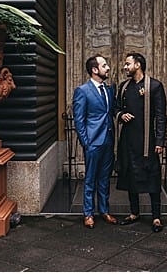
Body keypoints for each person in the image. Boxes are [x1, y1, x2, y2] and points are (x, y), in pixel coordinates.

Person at [113, 53, 167, 232]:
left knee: (152, 178)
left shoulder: (154, 86)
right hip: (128, 141)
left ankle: (156, 217)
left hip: (148, 142)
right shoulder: (124, 87)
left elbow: (160, 116)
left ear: (138, 65)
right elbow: (116, 108)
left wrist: (160, 140)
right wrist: (121, 115)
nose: (125, 67)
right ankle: (134, 212)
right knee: (130, 177)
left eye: (128, 64)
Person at [72, 55, 120, 229]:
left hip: (108, 141)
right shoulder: (82, 91)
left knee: (105, 179)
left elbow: (112, 111)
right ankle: (88, 213)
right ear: (94, 69)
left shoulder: (109, 90)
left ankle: (104, 211)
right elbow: (79, 119)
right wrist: (86, 142)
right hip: (93, 142)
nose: (108, 68)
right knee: (90, 179)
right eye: (104, 65)